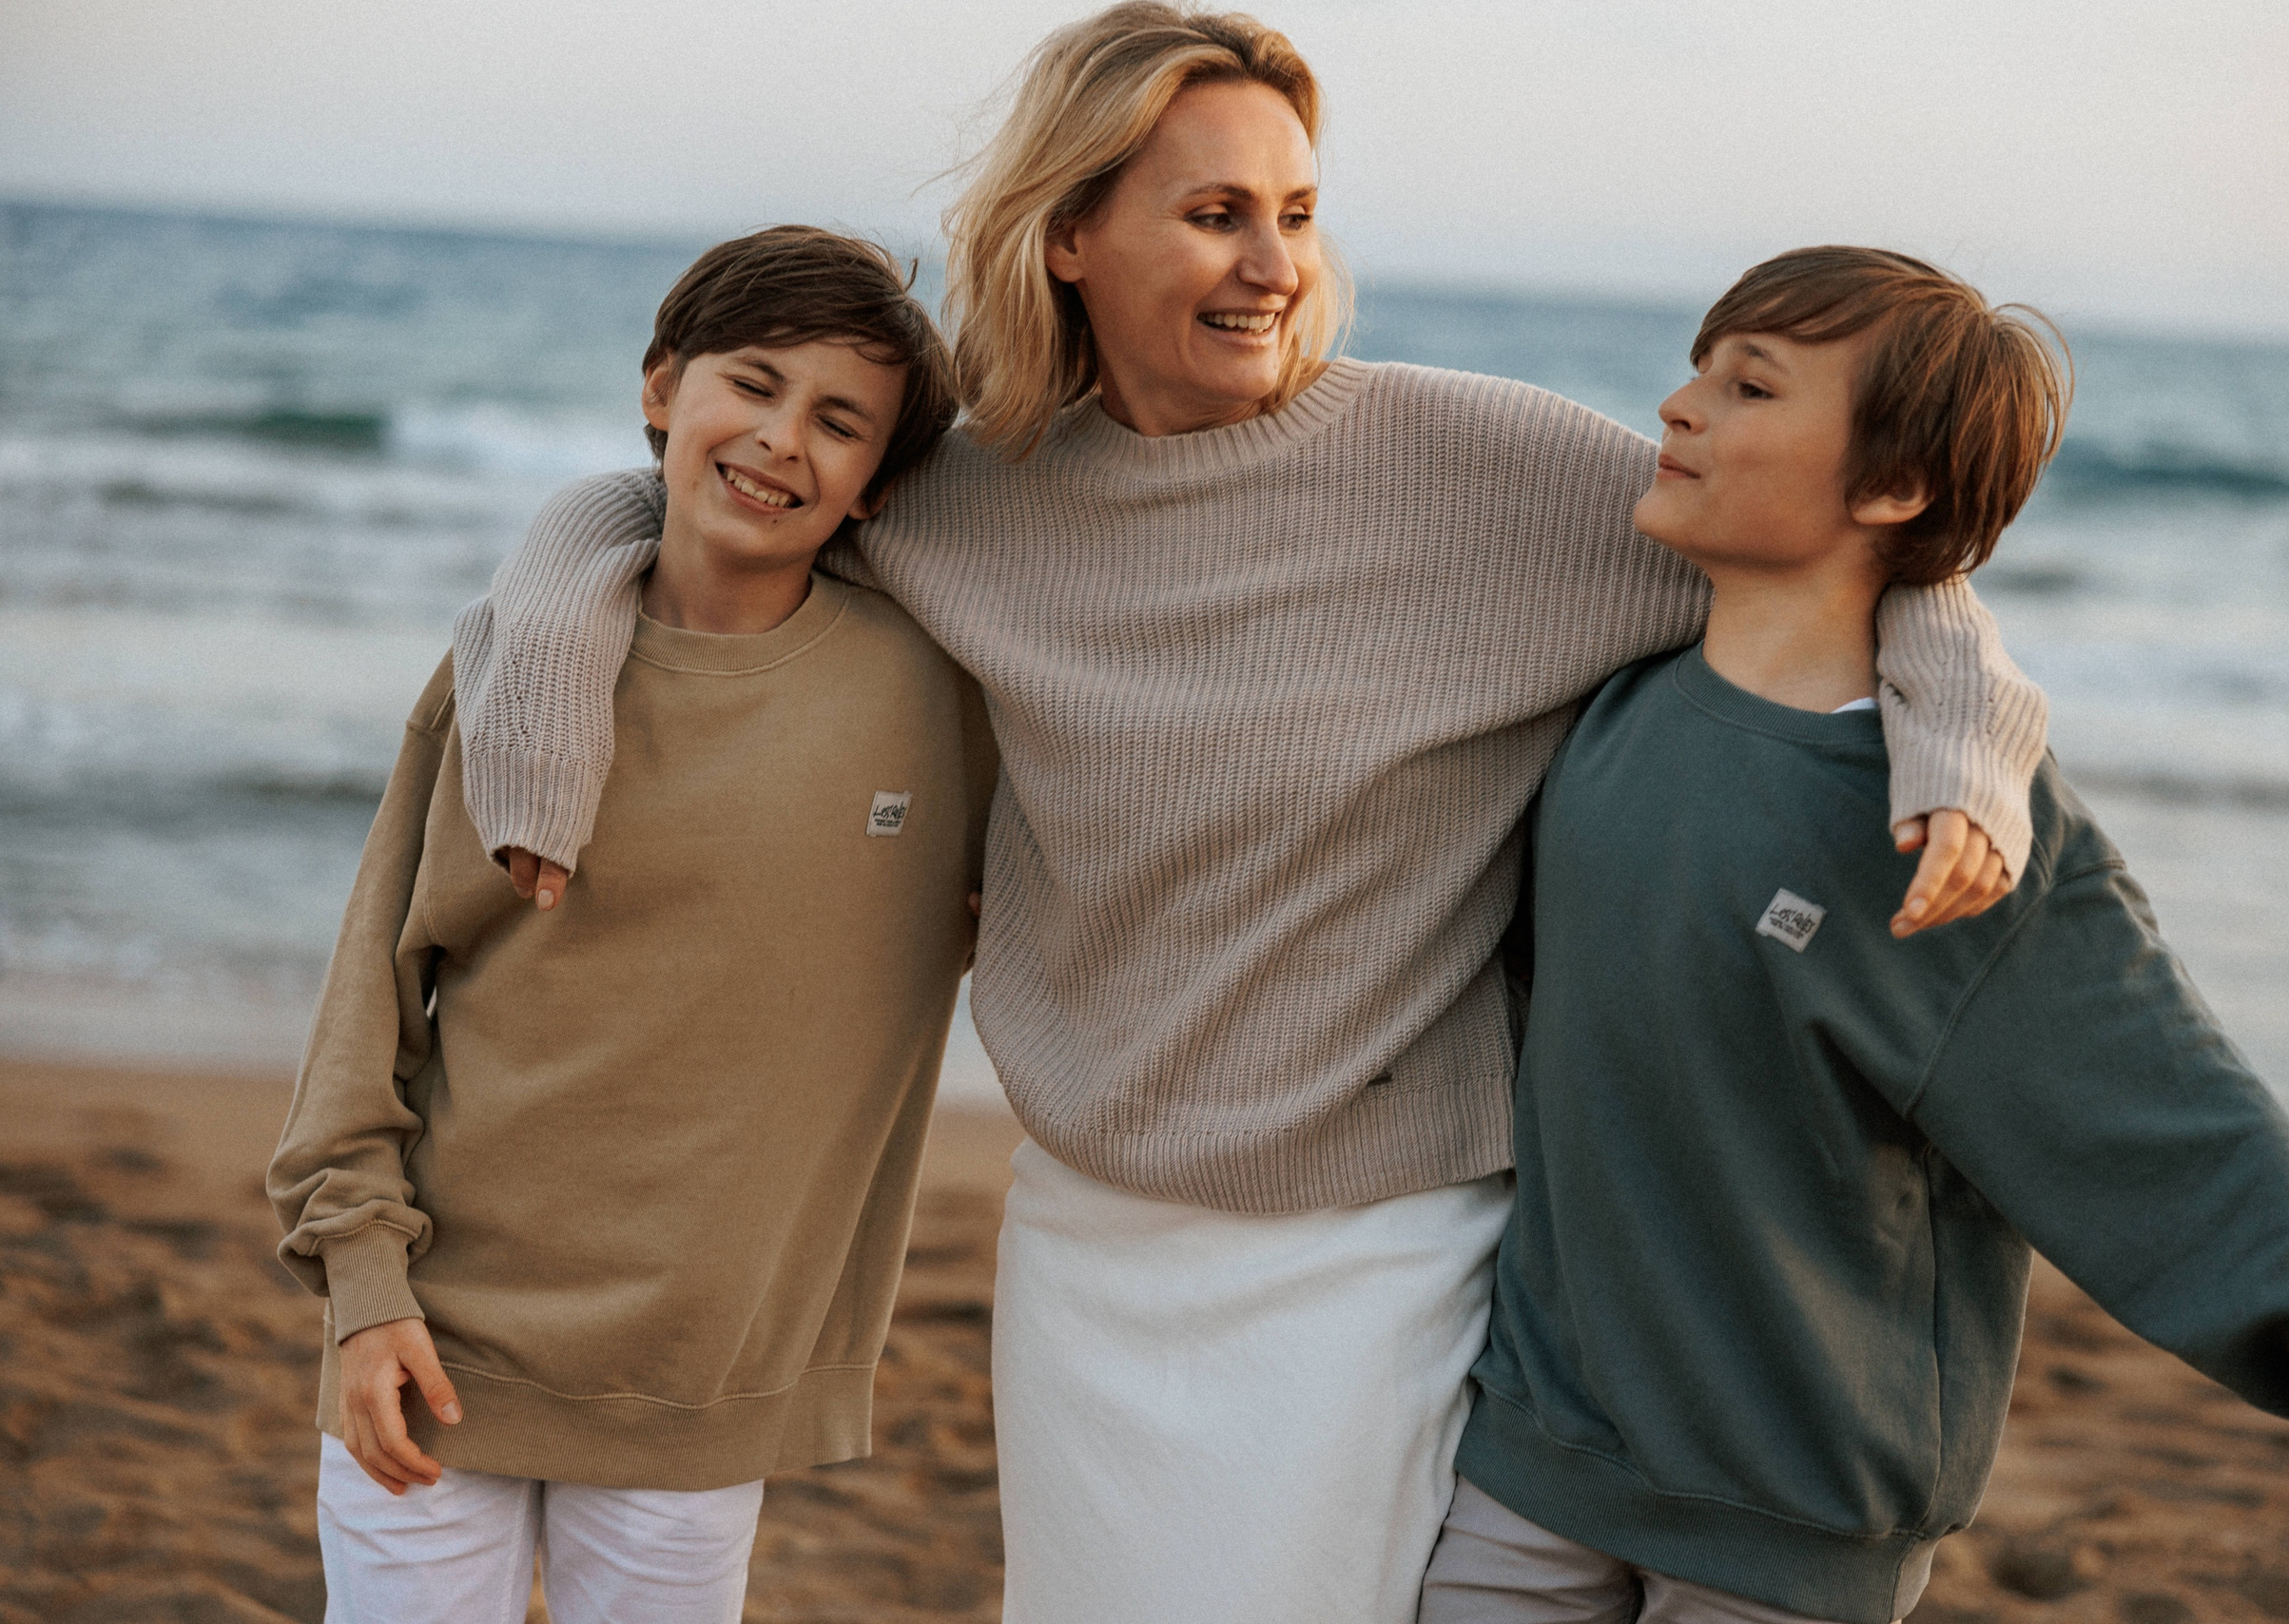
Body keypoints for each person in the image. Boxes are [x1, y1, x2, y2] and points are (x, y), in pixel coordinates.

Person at [444, 10, 2050, 1620]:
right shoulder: (965, 501)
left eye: (1293, 212)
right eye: (1215, 214)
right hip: (1086, 1238)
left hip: (1378, 1245)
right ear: (1069, 233)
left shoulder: (1483, 471)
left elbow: (1853, 555)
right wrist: (542, 688)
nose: (1272, 262)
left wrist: (1968, 747)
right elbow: (663, 508)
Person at [1417, 246, 2289, 1624]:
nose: (1675, 407)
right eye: (1699, 366)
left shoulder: (1953, 838)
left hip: (1791, 1517)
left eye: (1749, 385)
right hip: (1533, 1463)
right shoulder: (1605, 721)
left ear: (1893, 488)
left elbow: (2169, 1122)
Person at [266, 225, 990, 1624]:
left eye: (839, 422)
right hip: (433, 1336)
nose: (783, 440)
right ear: (662, 387)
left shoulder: (930, 699)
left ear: (878, 482)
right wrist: (360, 1285)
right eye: (754, 384)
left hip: (697, 1383)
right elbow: (373, 994)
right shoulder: (511, 666)